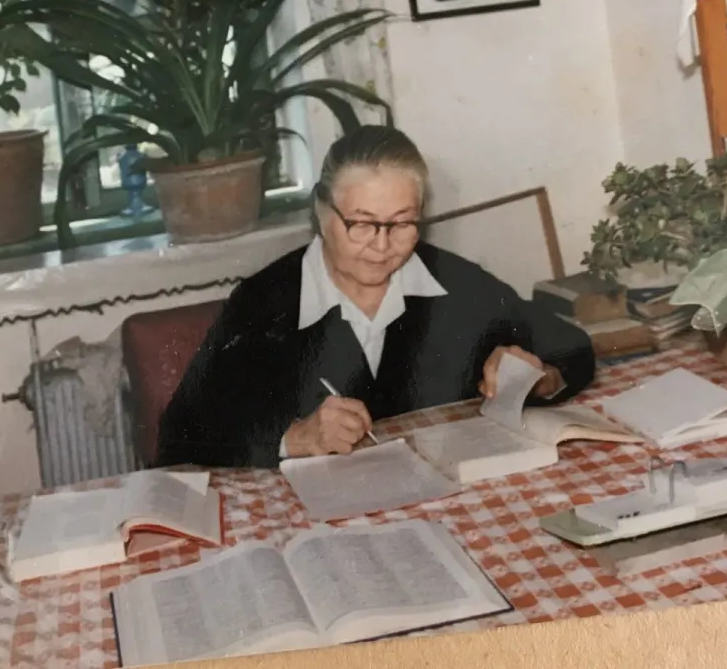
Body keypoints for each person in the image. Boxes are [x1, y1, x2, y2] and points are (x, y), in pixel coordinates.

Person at [155, 126, 596, 468]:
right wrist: (293, 439)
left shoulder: (453, 283)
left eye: (402, 223)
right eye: (362, 224)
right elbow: (180, 437)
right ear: (322, 213)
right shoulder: (264, 302)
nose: (382, 246)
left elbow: (571, 347)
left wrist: (540, 377)